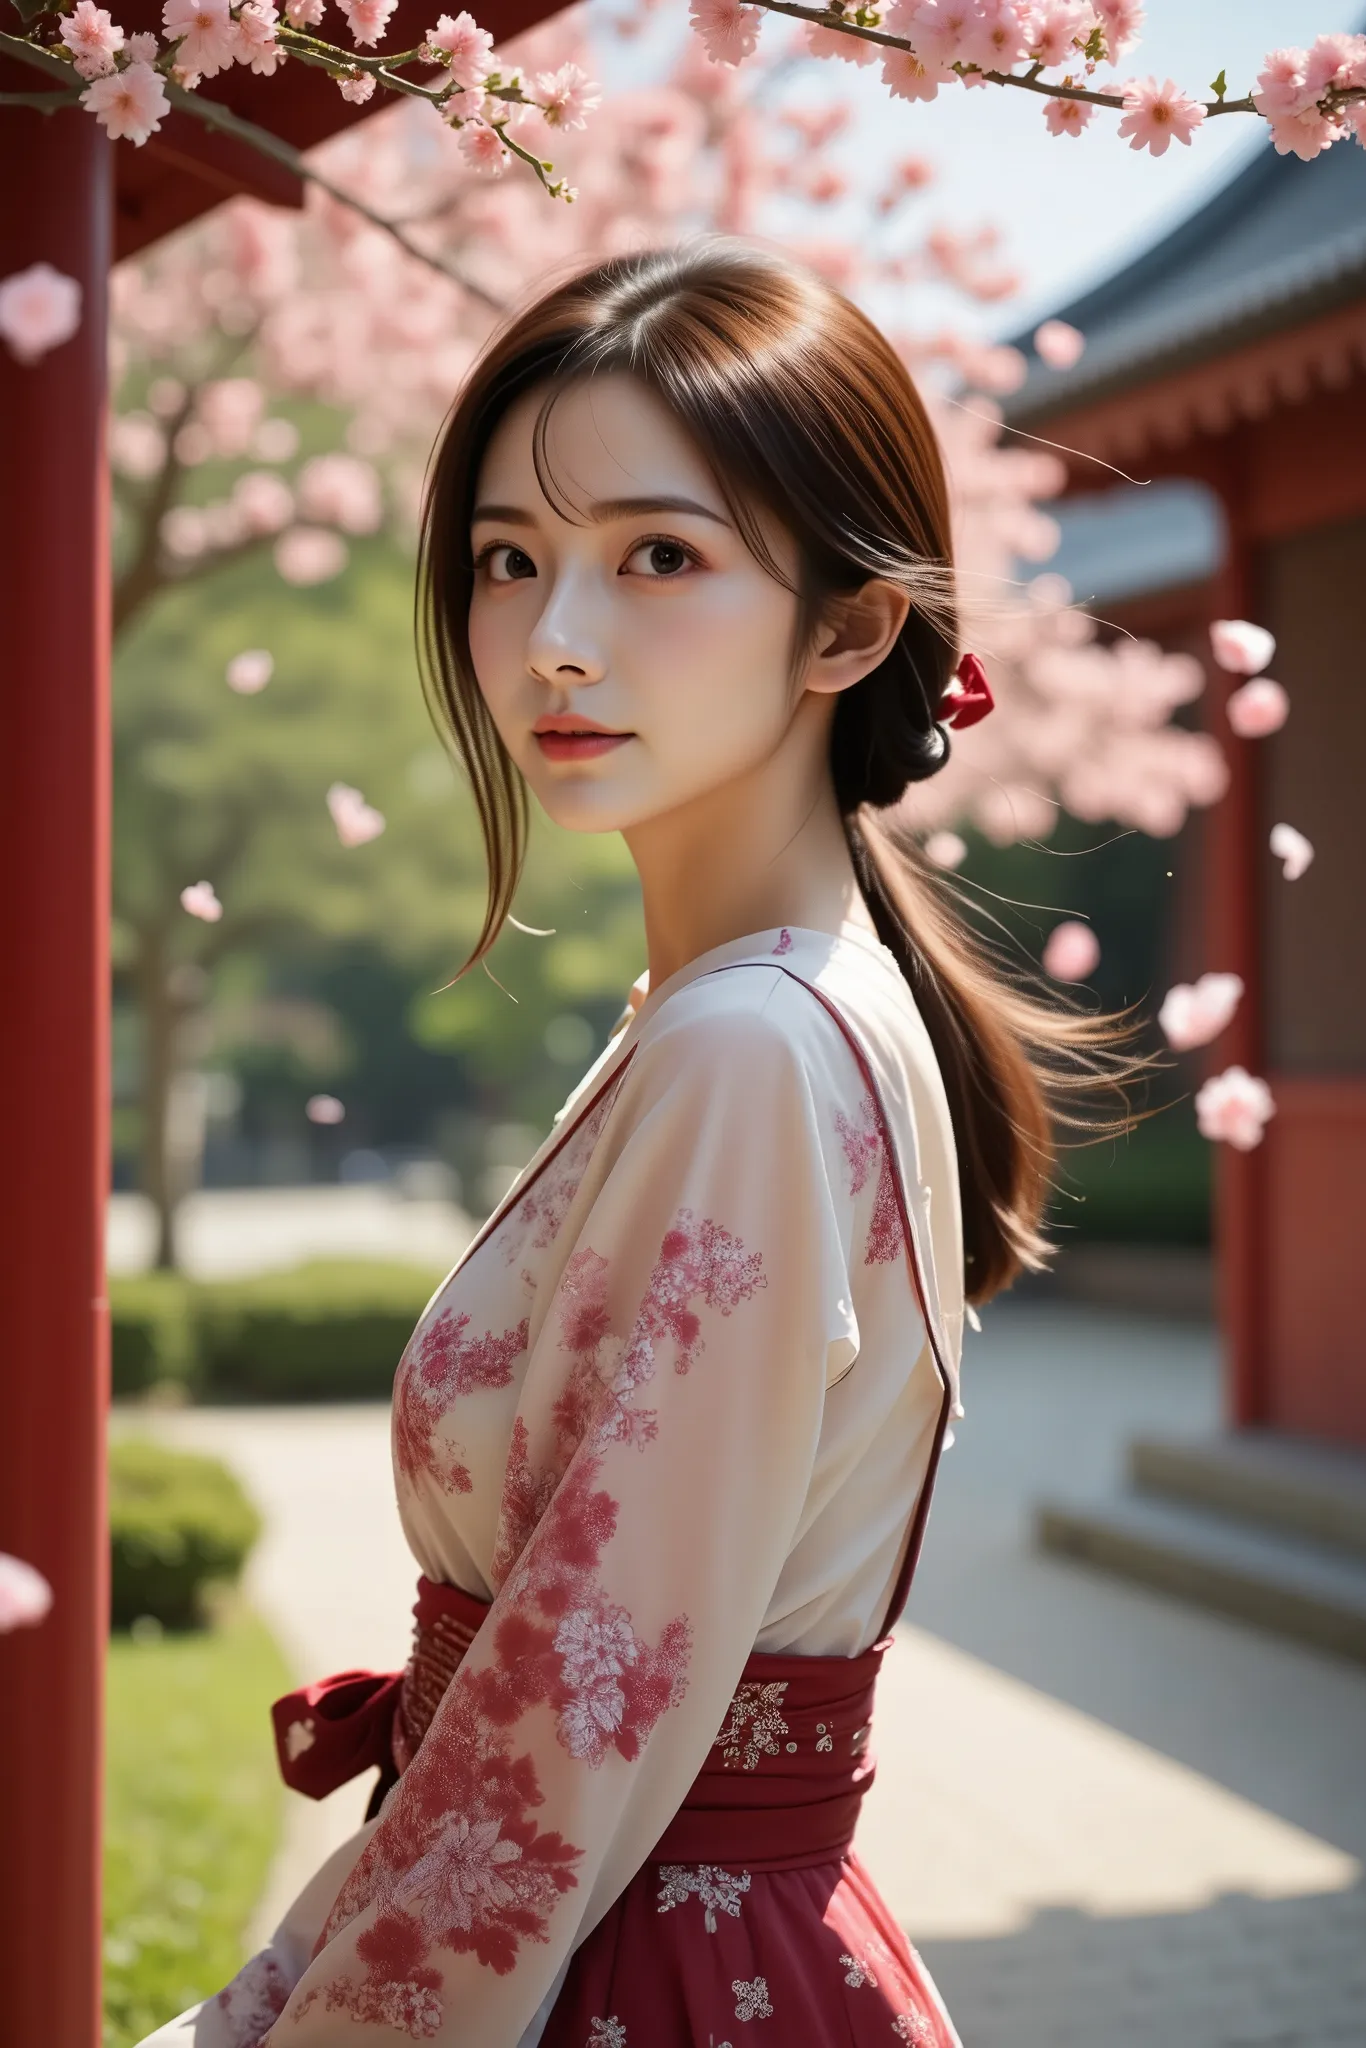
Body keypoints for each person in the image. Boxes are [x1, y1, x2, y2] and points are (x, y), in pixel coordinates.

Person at [142, 242, 1131, 2048]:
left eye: (658, 556)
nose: (555, 638)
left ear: (849, 626)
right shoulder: (758, 1012)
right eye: (510, 560)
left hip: (625, 1962)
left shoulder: (751, 1045)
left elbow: (575, 1714)